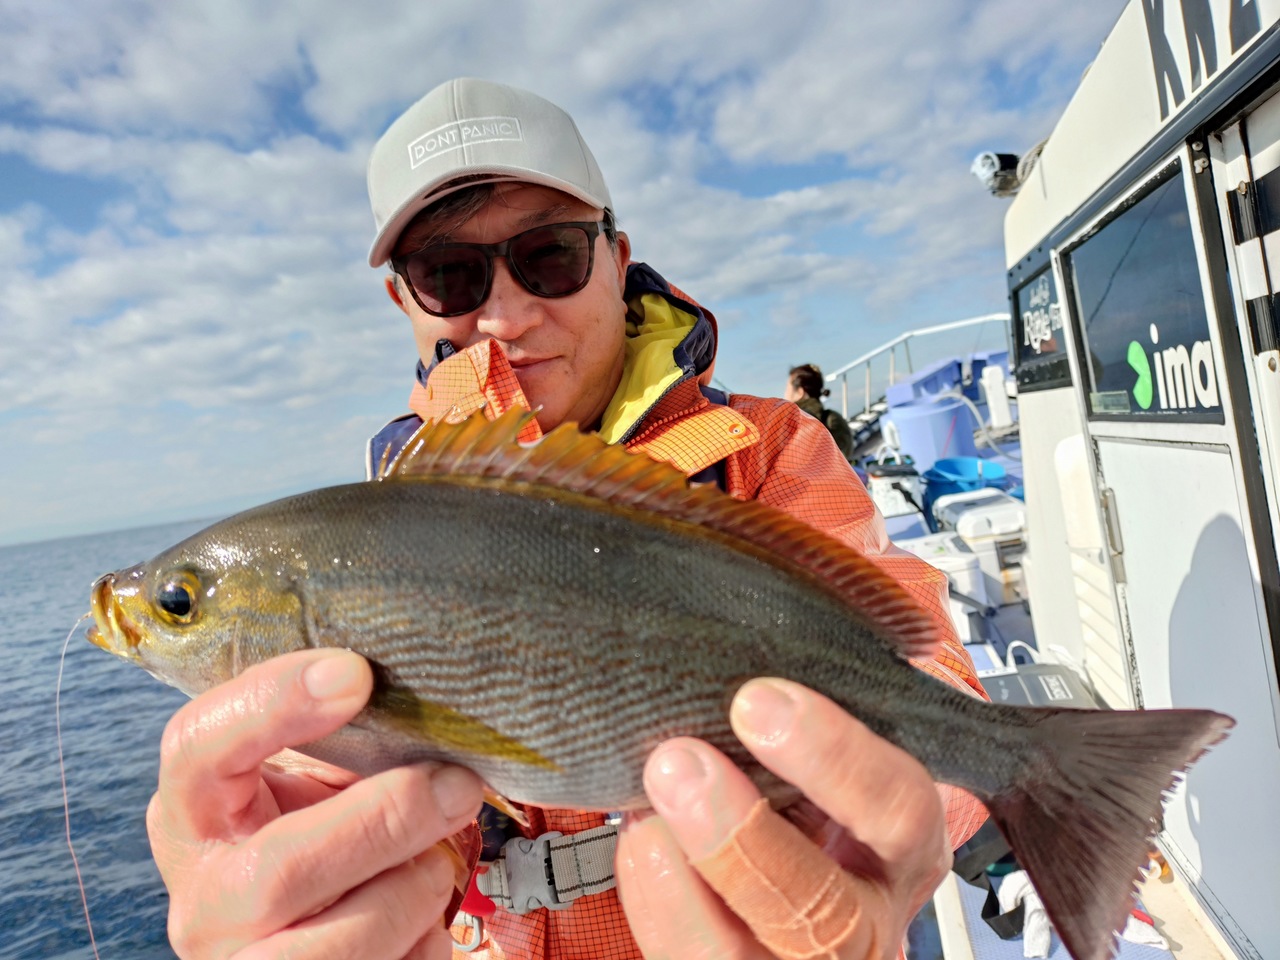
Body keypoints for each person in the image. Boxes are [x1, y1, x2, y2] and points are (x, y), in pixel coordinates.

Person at [144, 78, 989, 960]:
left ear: (617, 260)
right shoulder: (376, 522)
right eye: (448, 275)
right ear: (406, 302)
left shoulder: (768, 449)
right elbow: (333, 763)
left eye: (549, 256)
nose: (506, 316)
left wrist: (883, 831)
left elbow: (929, 671)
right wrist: (288, 869)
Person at [785, 363, 856, 463]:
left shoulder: (793, 420)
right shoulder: (834, 418)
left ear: (800, 392)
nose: (785, 394)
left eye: (787, 389)